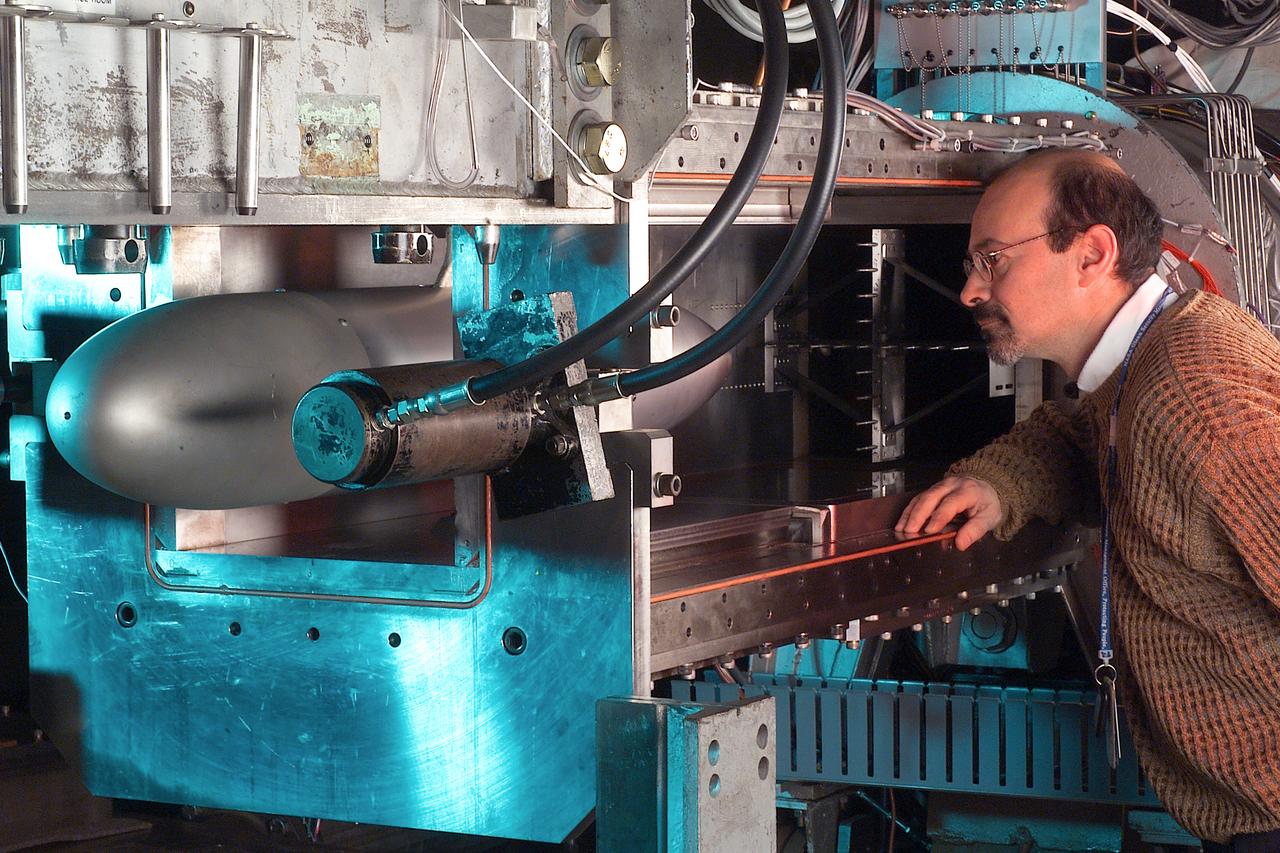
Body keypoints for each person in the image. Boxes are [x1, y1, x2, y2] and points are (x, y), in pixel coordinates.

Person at [895, 149, 1280, 851]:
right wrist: (999, 482)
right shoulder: (1146, 368)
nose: (970, 292)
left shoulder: (1194, 397)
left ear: (1092, 253)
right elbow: (1082, 436)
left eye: (993, 260)